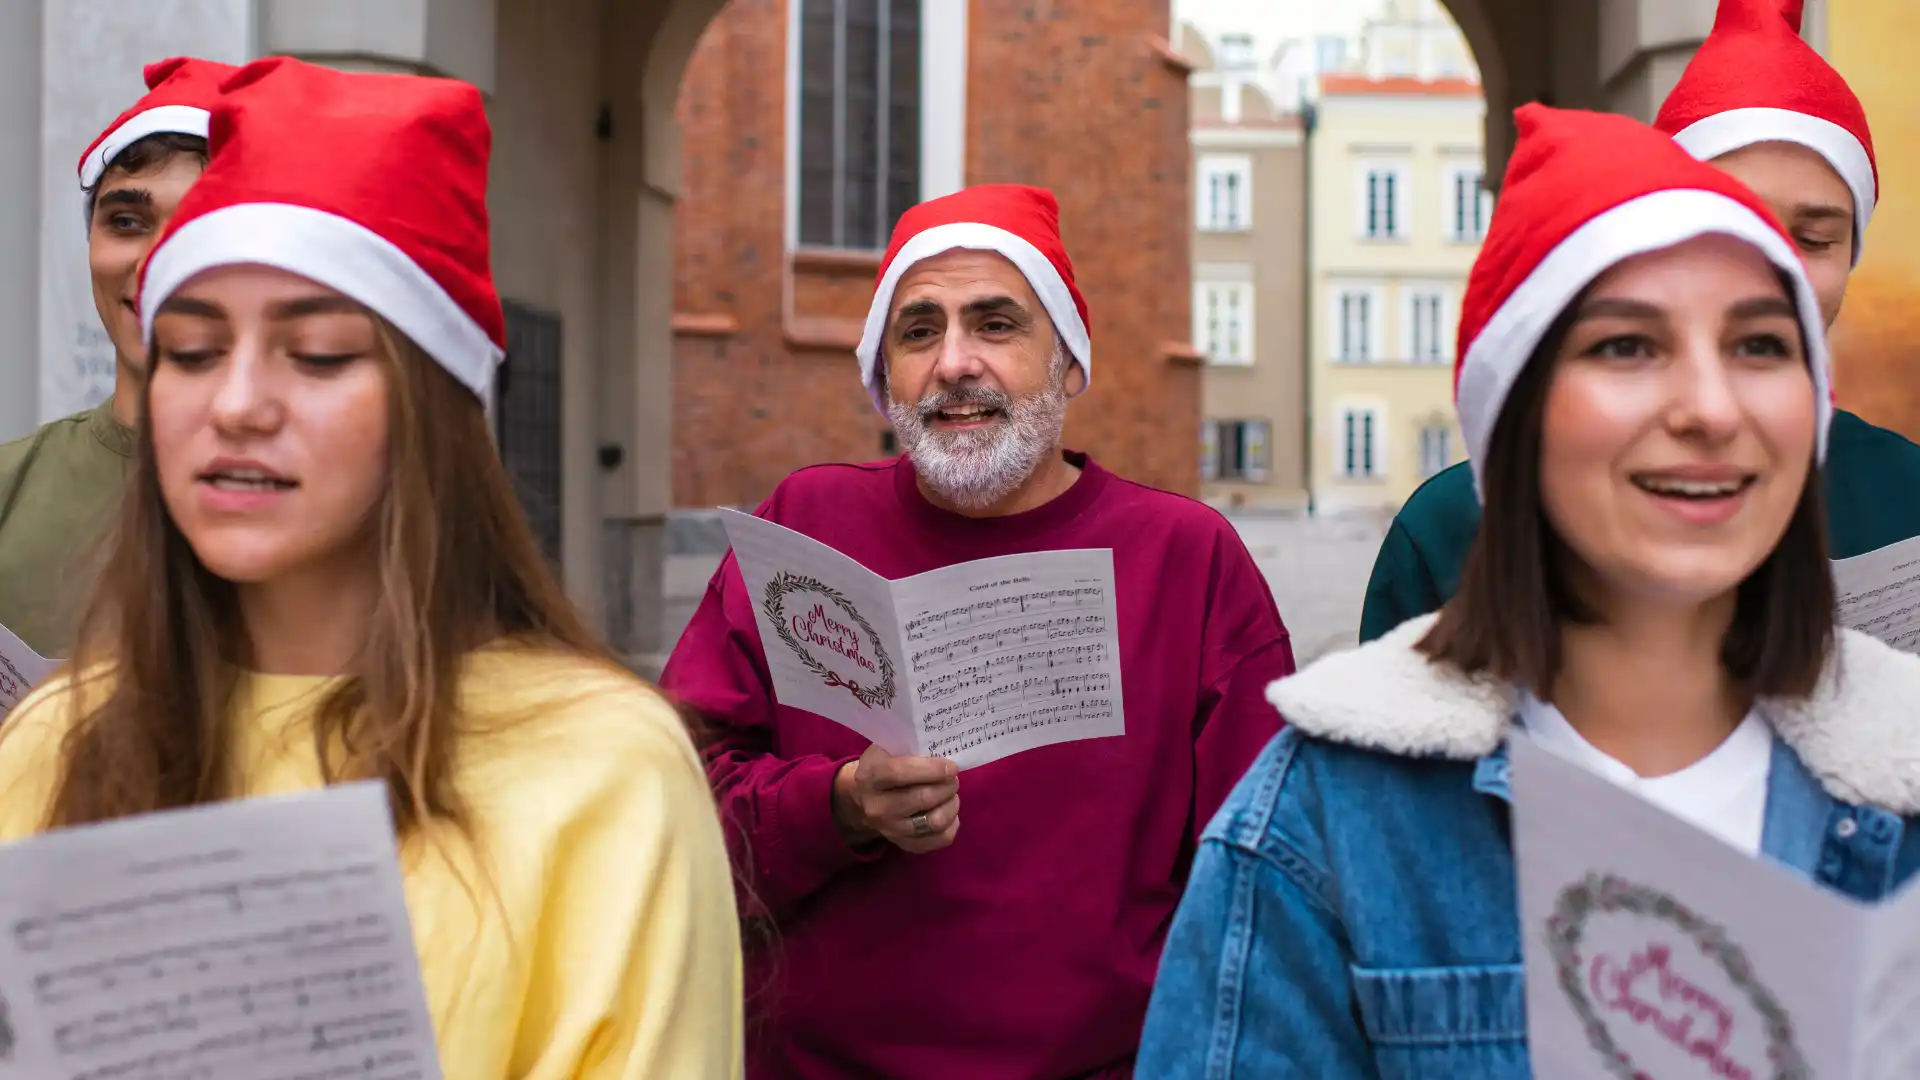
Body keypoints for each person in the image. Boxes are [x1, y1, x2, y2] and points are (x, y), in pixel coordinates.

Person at [1137, 103, 1920, 1077]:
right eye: (1627, 346)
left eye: (1760, 345)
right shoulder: (1327, 823)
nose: (1712, 409)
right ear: (1510, 418)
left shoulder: (1903, 781)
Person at [0, 57, 742, 1077]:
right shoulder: (56, 737)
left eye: (317, 356)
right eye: (194, 350)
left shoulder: (604, 769)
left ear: (430, 409)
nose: (238, 405)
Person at [661, 183, 1295, 1078]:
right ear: (884, 376)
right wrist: (836, 806)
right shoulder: (803, 526)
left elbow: (1264, 884)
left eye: (995, 325)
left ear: (1068, 362)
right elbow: (669, 809)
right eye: (919, 332)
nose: (955, 362)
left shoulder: (1187, 561)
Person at [1357, 0, 1919, 643]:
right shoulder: (1453, 527)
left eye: (1814, 239)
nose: (1774, 268)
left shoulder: (1907, 496)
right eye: (1731, 219)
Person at [0, 57, 233, 659]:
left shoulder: (332, 499)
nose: (155, 262)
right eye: (127, 222)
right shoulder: (11, 489)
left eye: (199, 223)